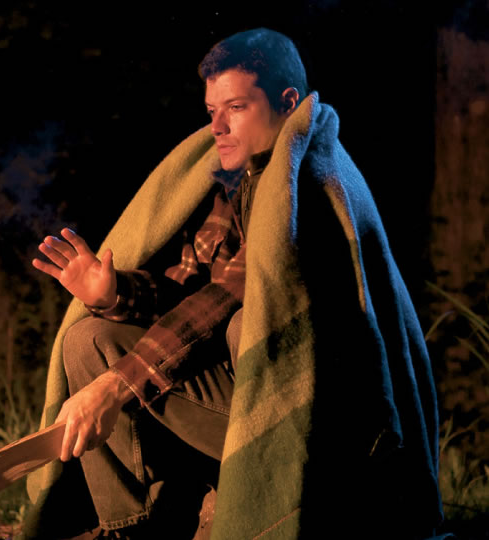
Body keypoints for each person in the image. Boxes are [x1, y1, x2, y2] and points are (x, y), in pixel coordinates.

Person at [24, 28, 444, 539]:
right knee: (89, 339)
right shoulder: (238, 183)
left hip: (327, 436)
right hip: (251, 406)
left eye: (237, 107)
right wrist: (114, 296)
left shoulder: (308, 183)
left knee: (244, 326)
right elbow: (193, 297)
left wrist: (116, 386)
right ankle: (136, 526)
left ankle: (269, 511)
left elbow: (231, 296)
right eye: (211, 111)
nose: (217, 127)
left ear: (288, 103)